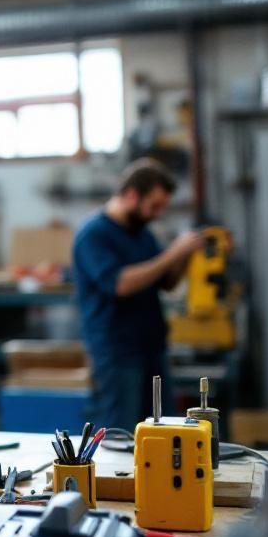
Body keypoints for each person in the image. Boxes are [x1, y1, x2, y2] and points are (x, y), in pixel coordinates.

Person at [72, 158, 203, 428]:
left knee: (163, 430)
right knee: (119, 433)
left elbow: (164, 282)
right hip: (117, 351)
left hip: (151, 347)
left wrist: (187, 255)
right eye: (154, 206)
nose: (157, 214)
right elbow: (120, 284)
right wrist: (173, 253)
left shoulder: (141, 233)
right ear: (131, 195)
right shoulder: (94, 235)